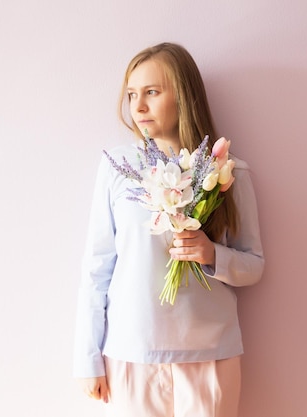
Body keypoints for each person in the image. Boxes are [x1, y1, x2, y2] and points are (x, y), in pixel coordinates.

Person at [73, 42, 264, 417]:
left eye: (152, 92)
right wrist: (87, 357)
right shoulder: (117, 167)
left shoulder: (228, 172)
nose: (138, 106)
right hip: (131, 354)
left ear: (184, 95)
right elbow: (97, 268)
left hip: (210, 355)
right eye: (131, 94)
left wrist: (211, 254)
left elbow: (254, 265)